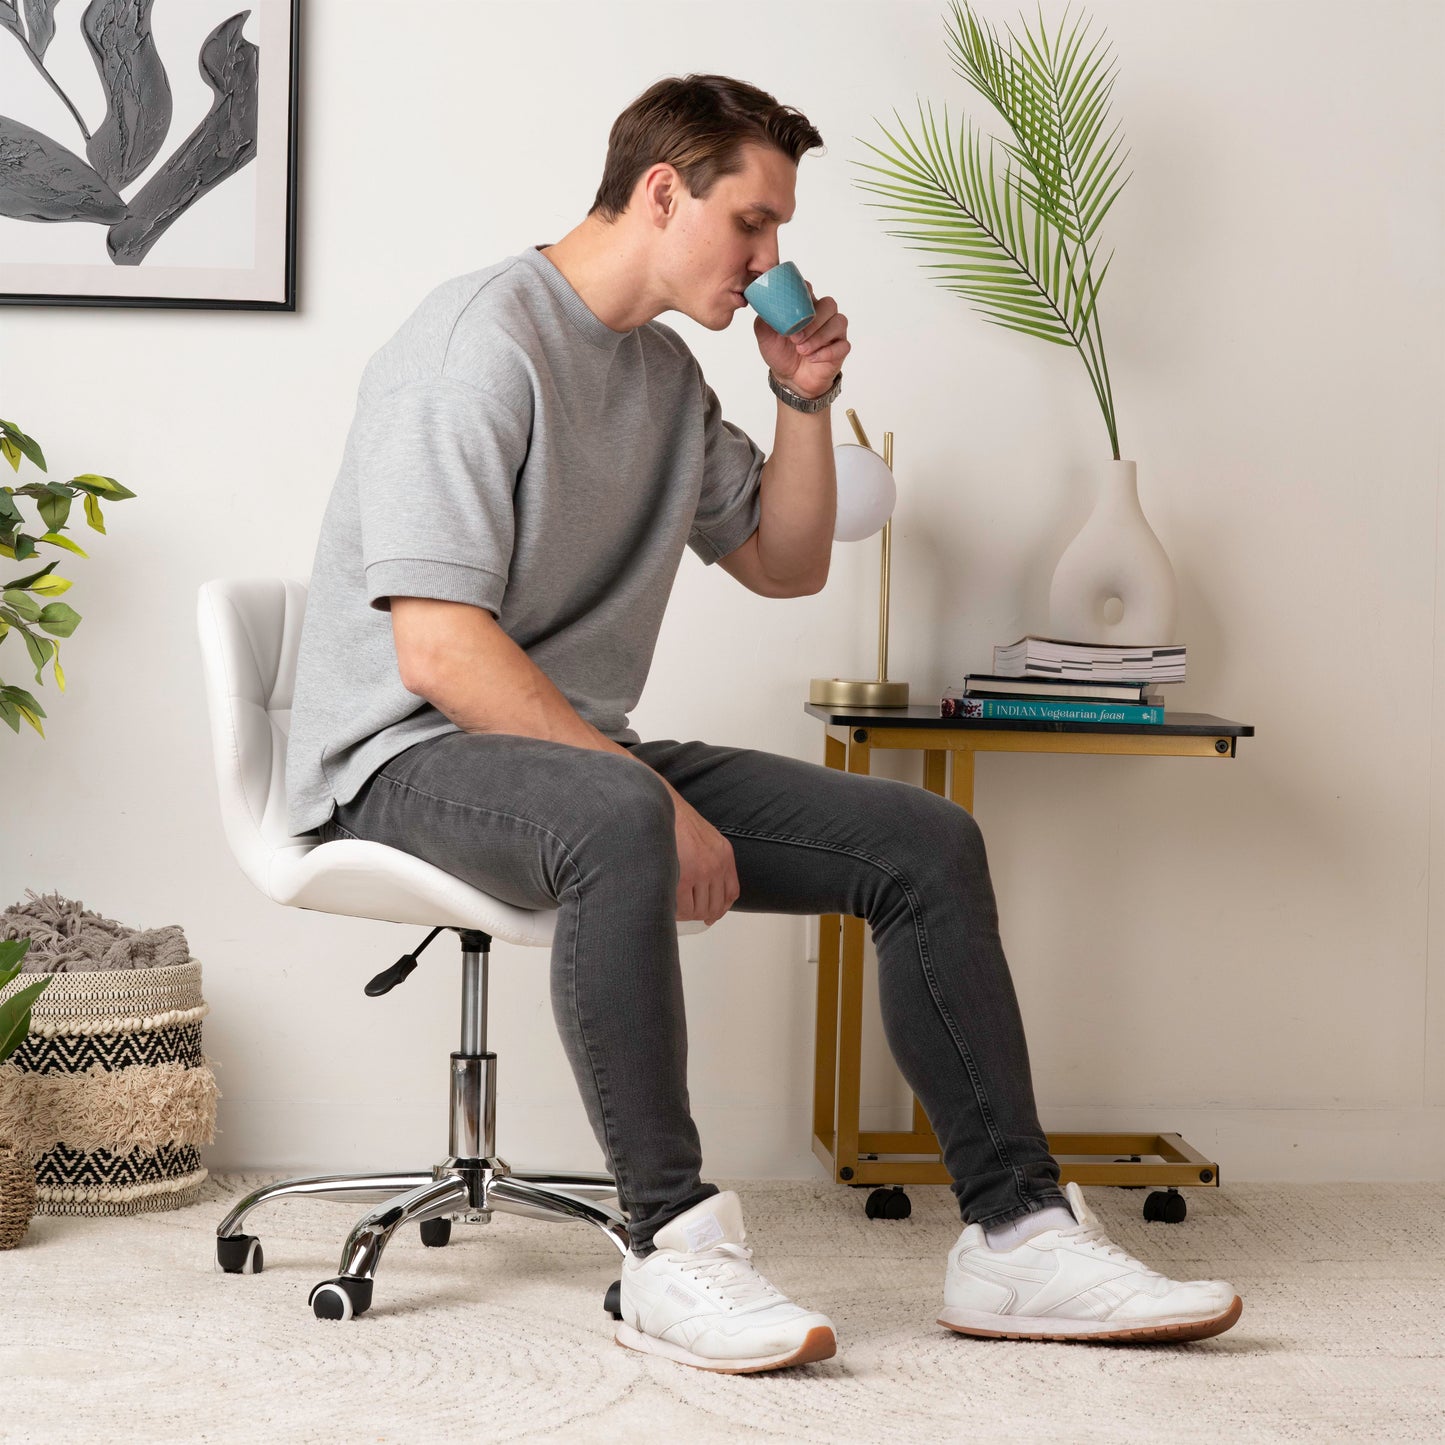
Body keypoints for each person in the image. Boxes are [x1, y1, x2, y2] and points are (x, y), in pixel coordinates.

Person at [285, 73, 1242, 1374]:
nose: (768, 259)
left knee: (922, 840)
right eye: (752, 221)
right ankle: (669, 1249)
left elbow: (786, 561)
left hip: (569, 756)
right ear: (662, 189)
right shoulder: (477, 343)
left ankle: (1017, 1237)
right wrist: (653, 799)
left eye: (779, 233)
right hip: (396, 758)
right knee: (623, 806)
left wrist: (799, 397)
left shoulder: (664, 378)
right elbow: (438, 648)